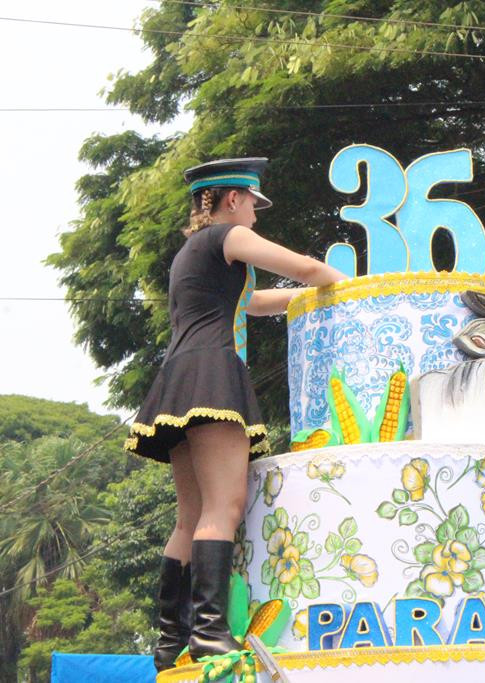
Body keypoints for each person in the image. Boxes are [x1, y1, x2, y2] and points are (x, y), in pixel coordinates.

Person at [124, 158, 346, 670]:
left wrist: (303, 296)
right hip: (214, 373)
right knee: (224, 506)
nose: (254, 215)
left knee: (191, 514)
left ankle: (170, 641)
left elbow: (253, 302)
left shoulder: (190, 254)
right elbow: (308, 268)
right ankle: (208, 632)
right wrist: (350, 286)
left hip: (180, 377)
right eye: (251, 203)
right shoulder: (228, 236)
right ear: (231, 200)